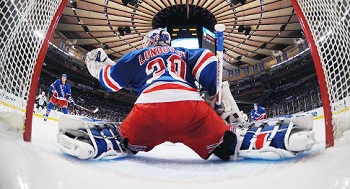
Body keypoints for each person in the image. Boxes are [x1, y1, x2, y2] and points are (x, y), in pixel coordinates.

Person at [57, 28, 316, 161]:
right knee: (230, 144)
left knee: (125, 141)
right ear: (167, 41)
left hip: (149, 109)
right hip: (191, 108)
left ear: (148, 42)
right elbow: (211, 68)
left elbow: (110, 81)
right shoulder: (183, 52)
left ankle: (99, 143)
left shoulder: (137, 55)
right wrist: (213, 98)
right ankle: (280, 139)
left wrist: (97, 65)